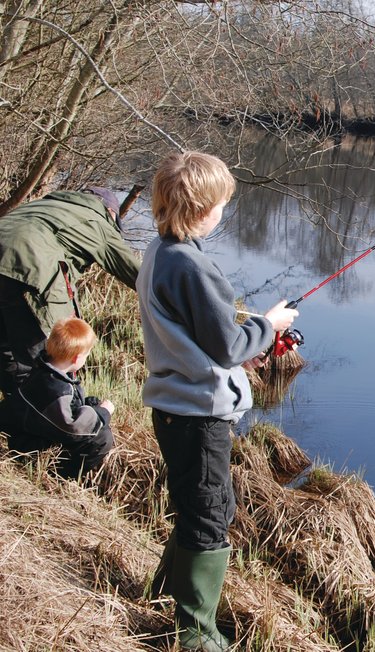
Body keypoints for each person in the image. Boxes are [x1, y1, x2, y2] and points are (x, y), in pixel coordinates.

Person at [137, 151, 297, 651]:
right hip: (197, 413)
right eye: (222, 202)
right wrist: (267, 327)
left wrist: (238, 346)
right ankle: (194, 634)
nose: (225, 210)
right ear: (203, 207)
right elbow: (228, 344)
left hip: (175, 408)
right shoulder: (191, 265)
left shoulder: (159, 251)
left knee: (202, 505)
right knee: (209, 514)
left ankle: (167, 593)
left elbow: (204, 338)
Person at [0, 187, 139, 397]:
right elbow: (141, 277)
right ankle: (57, 421)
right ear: (110, 213)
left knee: (5, 351)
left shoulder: (43, 205)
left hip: (11, 262)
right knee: (48, 360)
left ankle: (15, 416)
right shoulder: (99, 222)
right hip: (29, 269)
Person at [4, 317, 115, 478]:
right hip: (28, 447)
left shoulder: (43, 369)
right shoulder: (58, 390)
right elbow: (72, 428)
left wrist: (89, 404)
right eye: (87, 353)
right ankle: (59, 476)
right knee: (102, 439)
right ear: (76, 358)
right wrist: (103, 412)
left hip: (27, 433)